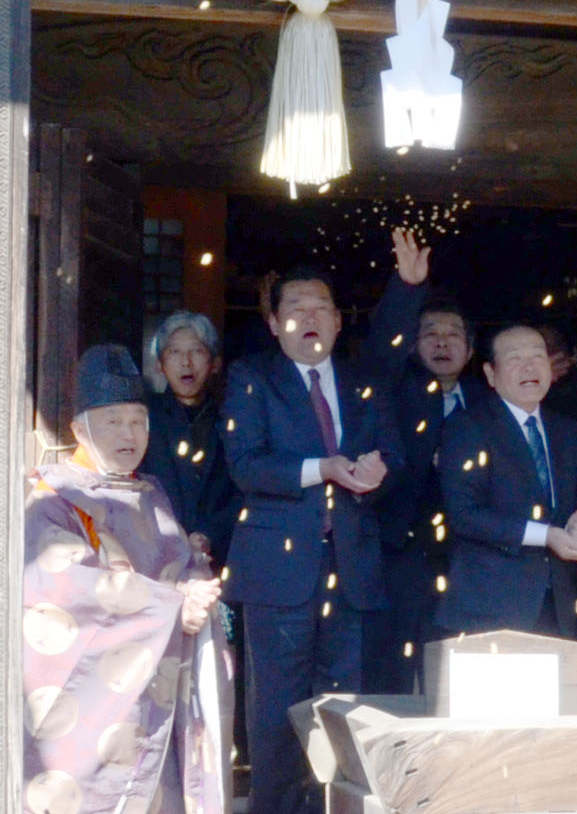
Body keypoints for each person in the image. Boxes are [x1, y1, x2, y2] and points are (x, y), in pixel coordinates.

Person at [222, 265, 405, 814]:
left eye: (322, 306)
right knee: (277, 712)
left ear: (339, 321)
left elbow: (393, 455)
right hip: (277, 573)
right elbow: (245, 464)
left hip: (350, 569)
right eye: (296, 308)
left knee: (342, 709)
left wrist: (376, 473)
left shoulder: (363, 381)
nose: (310, 317)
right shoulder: (250, 377)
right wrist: (321, 467)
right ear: (275, 323)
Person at [22, 344, 229, 813]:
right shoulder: (53, 498)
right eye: (113, 421)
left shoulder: (150, 492)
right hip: (97, 706)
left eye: (138, 421)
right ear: (79, 429)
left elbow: (178, 563)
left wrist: (197, 583)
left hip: (157, 688)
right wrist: (176, 606)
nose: (128, 434)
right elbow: (65, 589)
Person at [360, 228, 477, 694]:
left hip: (467, 556)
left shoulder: (486, 402)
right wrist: (407, 289)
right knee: (392, 667)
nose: (443, 343)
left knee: (455, 671)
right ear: (413, 344)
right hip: (402, 551)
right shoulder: (396, 388)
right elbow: (382, 350)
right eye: (430, 334)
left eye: (454, 336)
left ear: (471, 350)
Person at [435, 325, 577, 638]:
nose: (529, 367)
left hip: (557, 601)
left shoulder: (568, 430)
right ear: (490, 373)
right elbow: (464, 514)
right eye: (515, 359)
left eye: (538, 357)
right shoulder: (467, 426)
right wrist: (546, 535)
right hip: (488, 605)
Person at [144, 310, 239, 568]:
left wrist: (209, 535)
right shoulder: (143, 419)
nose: (186, 362)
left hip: (220, 557)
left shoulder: (232, 420)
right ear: (159, 365)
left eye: (197, 351)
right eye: (174, 353)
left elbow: (242, 490)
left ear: (215, 364)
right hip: (156, 556)